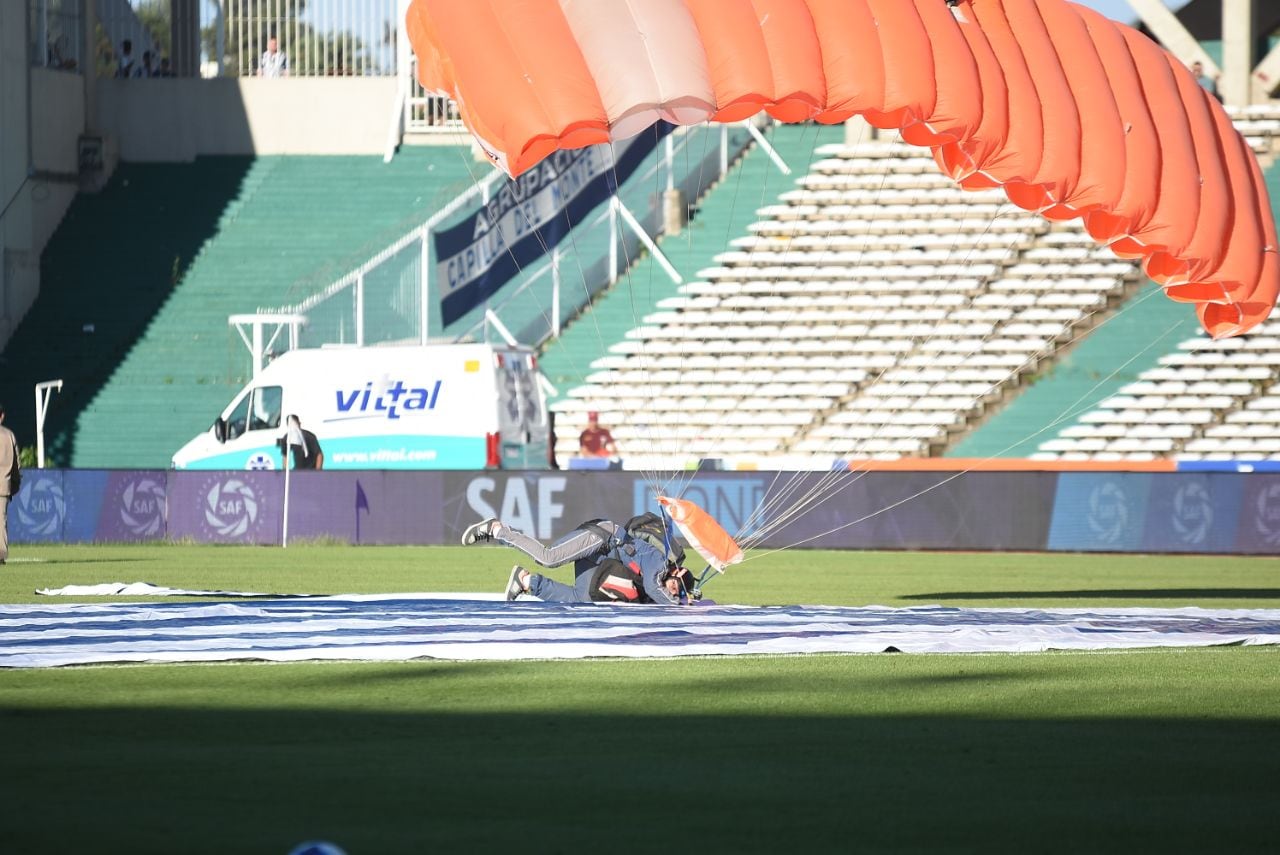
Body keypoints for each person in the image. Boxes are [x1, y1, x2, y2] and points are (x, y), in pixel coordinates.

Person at [462, 517, 693, 605]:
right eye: (675, 586)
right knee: (549, 557)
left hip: (603, 557)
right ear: (676, 573)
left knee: (581, 598)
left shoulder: (661, 580)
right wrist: (681, 607)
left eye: (676, 592)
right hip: (603, 537)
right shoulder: (659, 563)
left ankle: (526, 581)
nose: (672, 590)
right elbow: (654, 588)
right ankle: (497, 529)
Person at [0, 403, 21, 566]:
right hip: (4, 485)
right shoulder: (9, 435)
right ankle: (1, 554)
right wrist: (15, 484)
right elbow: (17, 464)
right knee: (2, 521)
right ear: (2, 416)